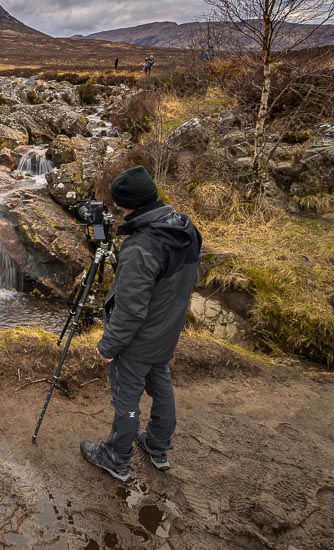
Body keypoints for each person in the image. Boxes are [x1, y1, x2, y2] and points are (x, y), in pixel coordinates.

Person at [80, 166, 202, 482]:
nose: (118, 212)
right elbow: (189, 280)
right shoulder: (184, 228)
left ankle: (116, 457)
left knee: (126, 397)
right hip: (167, 331)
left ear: (129, 205)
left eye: (120, 206)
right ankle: (158, 445)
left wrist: (109, 346)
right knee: (161, 385)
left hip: (139, 339)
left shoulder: (141, 246)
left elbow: (131, 310)